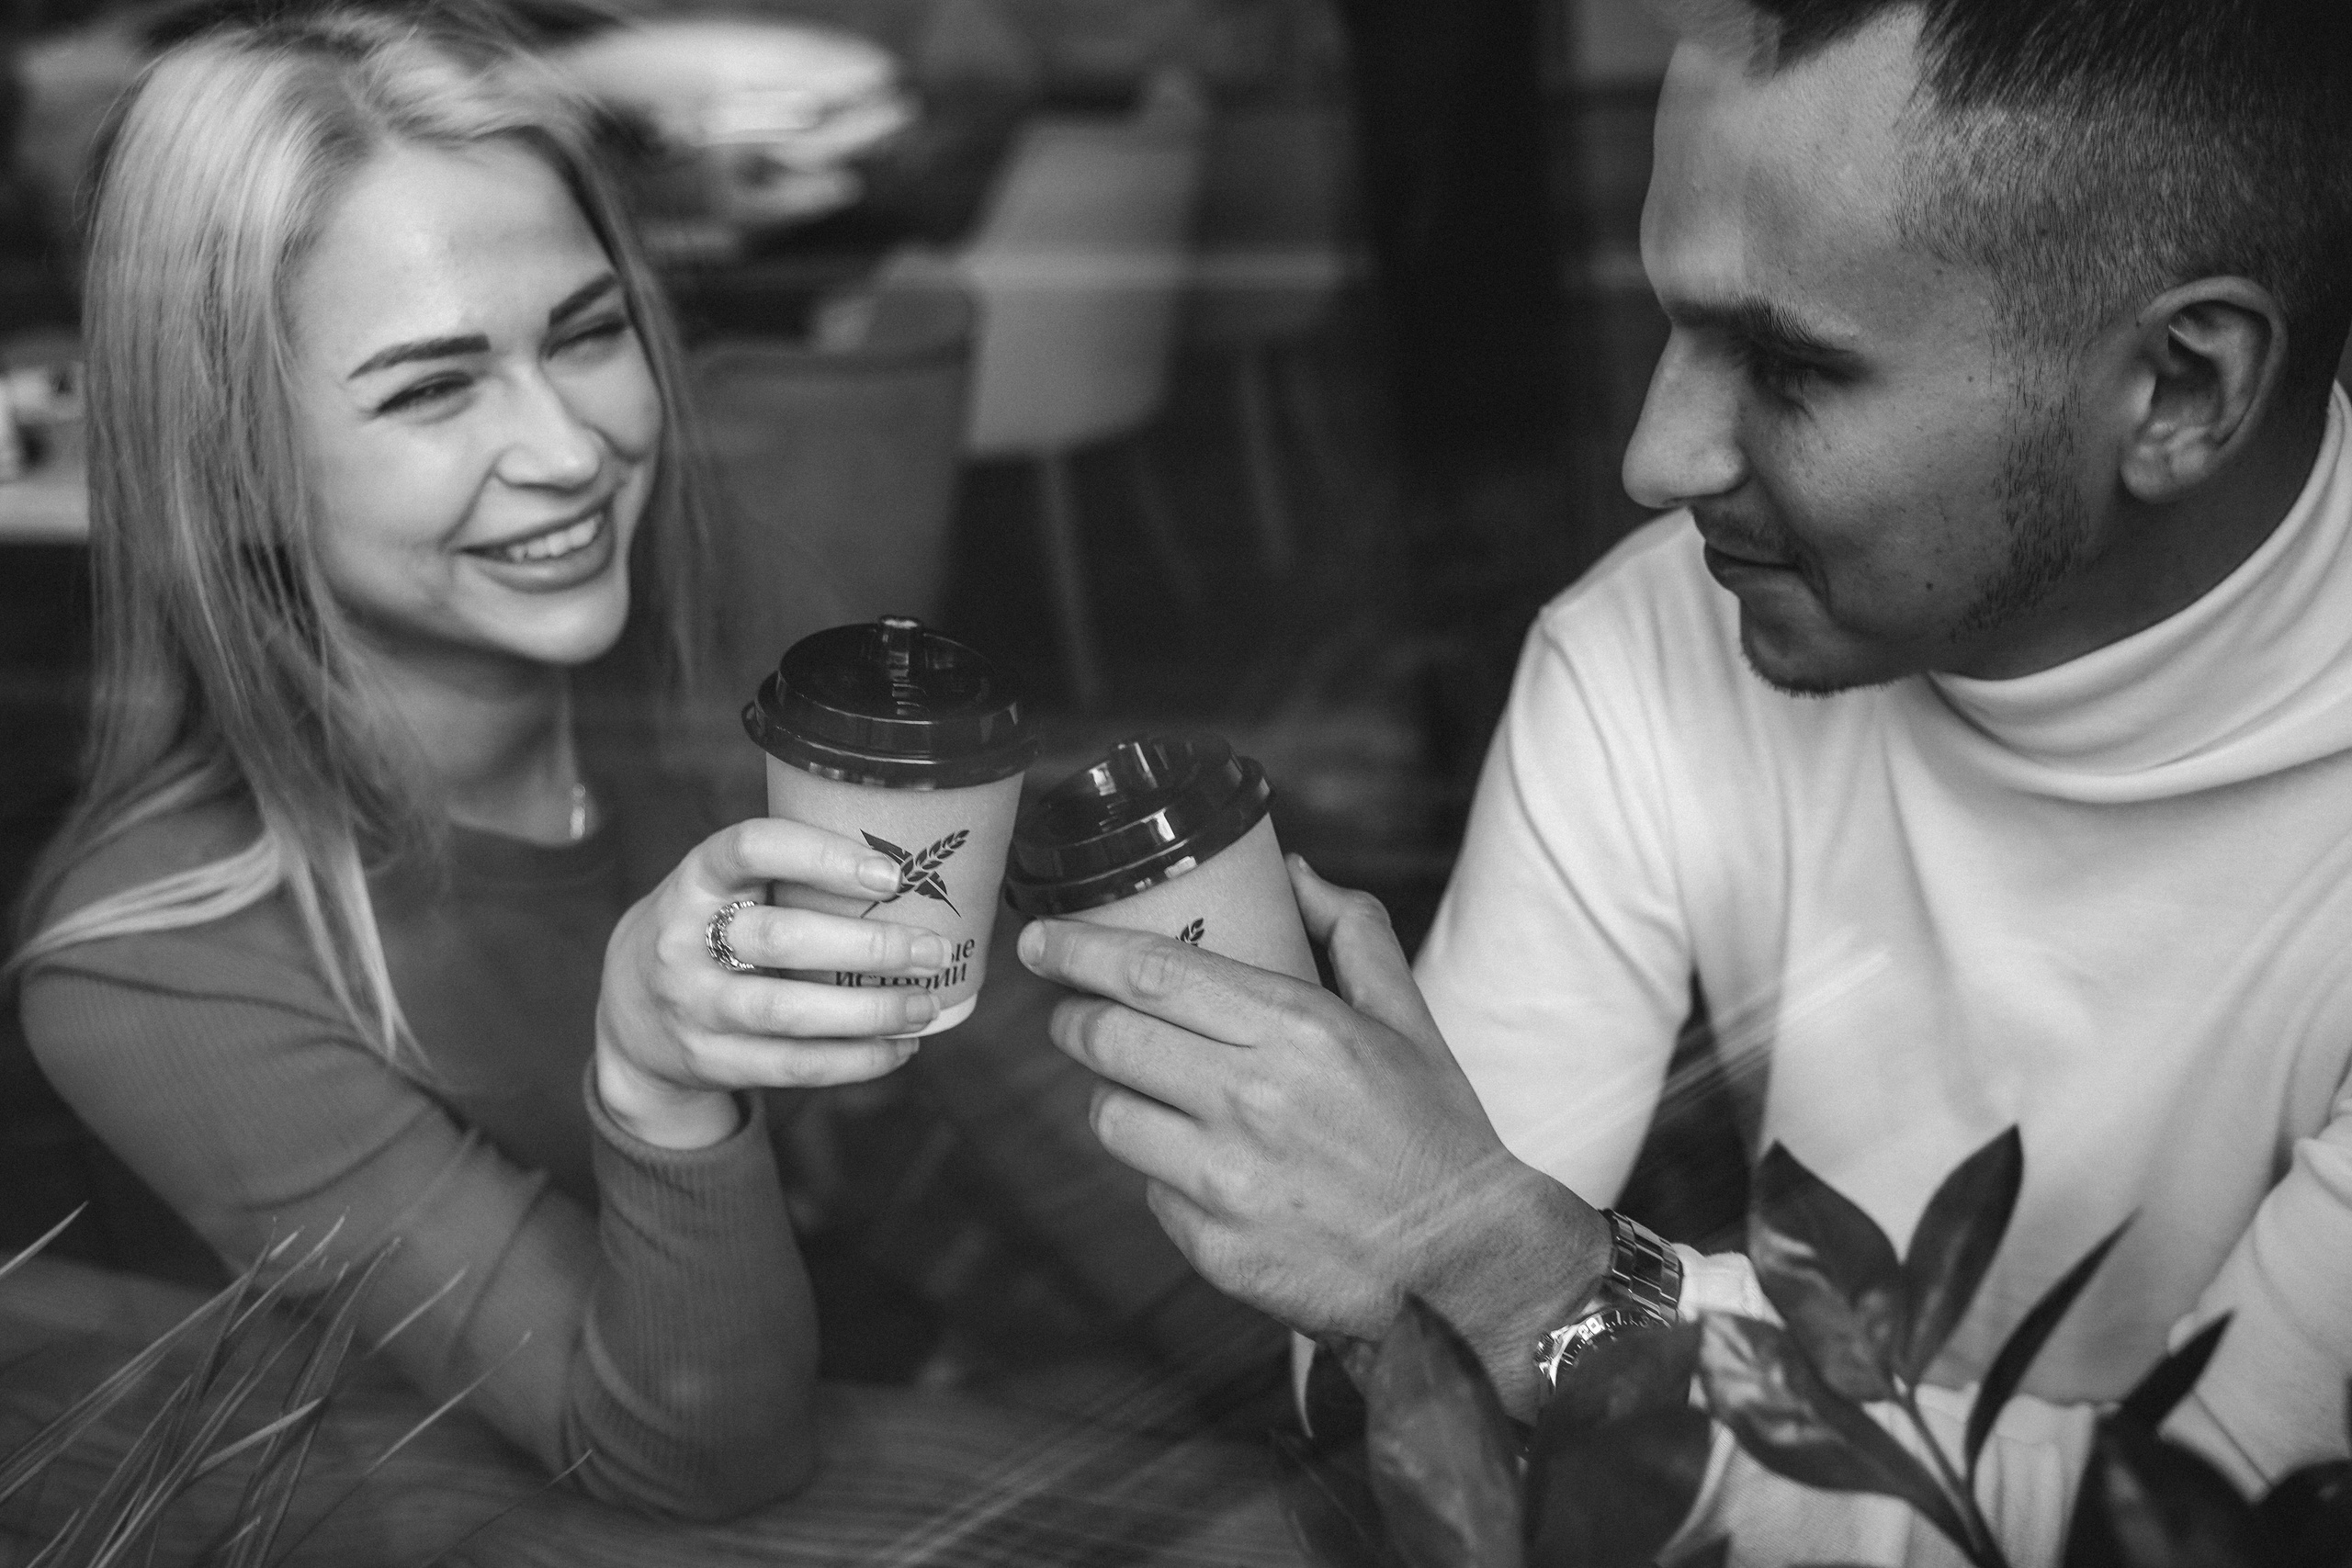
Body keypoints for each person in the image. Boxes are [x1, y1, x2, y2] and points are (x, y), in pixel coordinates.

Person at [1015, 0, 2352, 1561]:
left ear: (2182, 389)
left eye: (1788, 364)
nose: (1656, 456)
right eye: (1673, 324)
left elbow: (2204, 1538)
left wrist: (1529, 1280)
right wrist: (1427, 1254)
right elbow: (1359, 1326)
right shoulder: (1653, 643)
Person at [7, 7, 962, 1520]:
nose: (573, 452)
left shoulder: (726, 635)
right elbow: (688, 1460)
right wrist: (654, 1086)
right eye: (434, 388)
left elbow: (1018, 1091)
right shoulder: (158, 969)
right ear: (234, 469)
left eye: (587, 335)